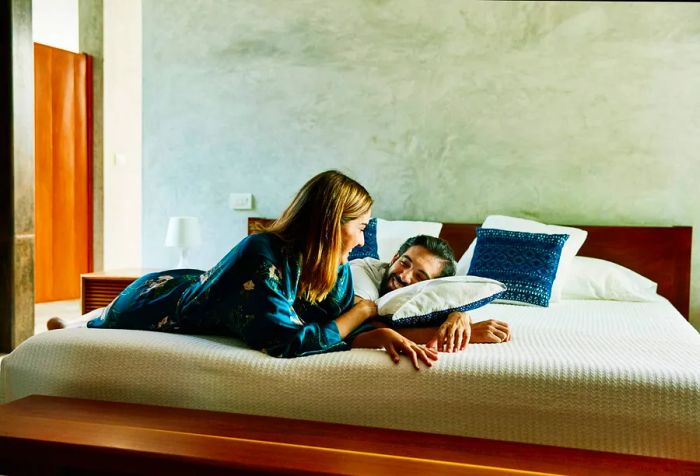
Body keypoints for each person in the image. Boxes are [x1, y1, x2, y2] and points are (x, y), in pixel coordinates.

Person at [50, 170, 437, 369]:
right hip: (158, 299)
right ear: (330, 223)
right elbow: (284, 343)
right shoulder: (261, 250)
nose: (360, 239)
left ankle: (73, 322)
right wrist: (364, 310)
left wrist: (442, 326)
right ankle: (74, 326)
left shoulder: (336, 272)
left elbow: (342, 327)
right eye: (361, 227)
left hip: (206, 291)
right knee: (107, 316)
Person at [351, 235, 512, 352]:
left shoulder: (430, 292)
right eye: (404, 263)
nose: (404, 277)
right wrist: (465, 334)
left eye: (420, 276)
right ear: (394, 258)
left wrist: (458, 314)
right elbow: (358, 326)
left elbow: (445, 298)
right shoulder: (362, 272)